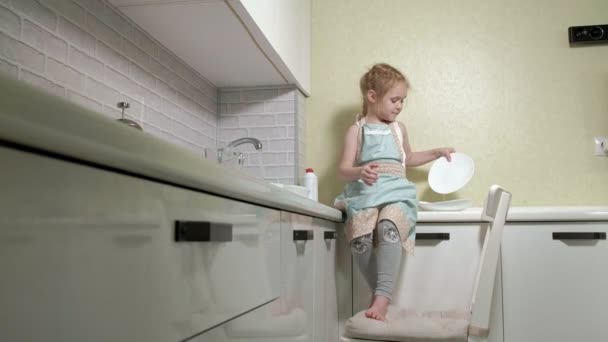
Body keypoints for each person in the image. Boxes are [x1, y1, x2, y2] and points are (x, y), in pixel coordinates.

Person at [334, 63, 454, 321]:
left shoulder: (399, 129)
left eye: (403, 101)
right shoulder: (357, 130)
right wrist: (359, 171)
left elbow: (407, 158)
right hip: (366, 193)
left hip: (397, 192)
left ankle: (382, 298)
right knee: (360, 240)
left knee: (389, 226)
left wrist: (436, 153)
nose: (399, 106)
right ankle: (380, 290)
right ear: (372, 96)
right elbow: (343, 168)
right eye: (395, 99)